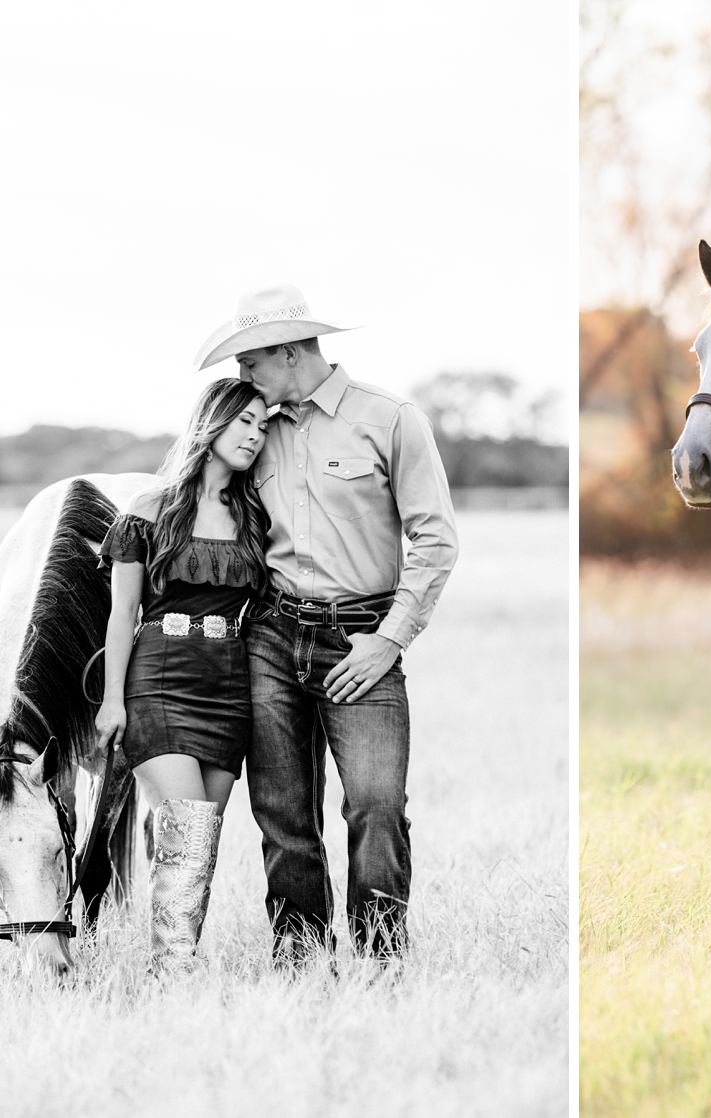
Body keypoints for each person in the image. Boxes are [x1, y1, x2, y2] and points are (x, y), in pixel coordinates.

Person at [193, 284, 458, 964]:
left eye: (249, 363)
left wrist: (390, 639)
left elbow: (435, 541)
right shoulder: (256, 431)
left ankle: (379, 960)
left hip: (362, 636)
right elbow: (201, 493)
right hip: (273, 636)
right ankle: (301, 958)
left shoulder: (391, 419)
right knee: (283, 811)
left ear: (288, 352)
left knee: (374, 804)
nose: (241, 378)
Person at [95, 377, 272, 970]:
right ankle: (173, 976)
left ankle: (172, 961)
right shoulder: (149, 511)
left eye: (263, 425)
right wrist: (112, 702)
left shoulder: (254, 516)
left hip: (228, 686)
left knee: (199, 843)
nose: (255, 435)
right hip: (159, 680)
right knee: (190, 828)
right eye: (244, 421)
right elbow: (122, 614)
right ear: (212, 423)